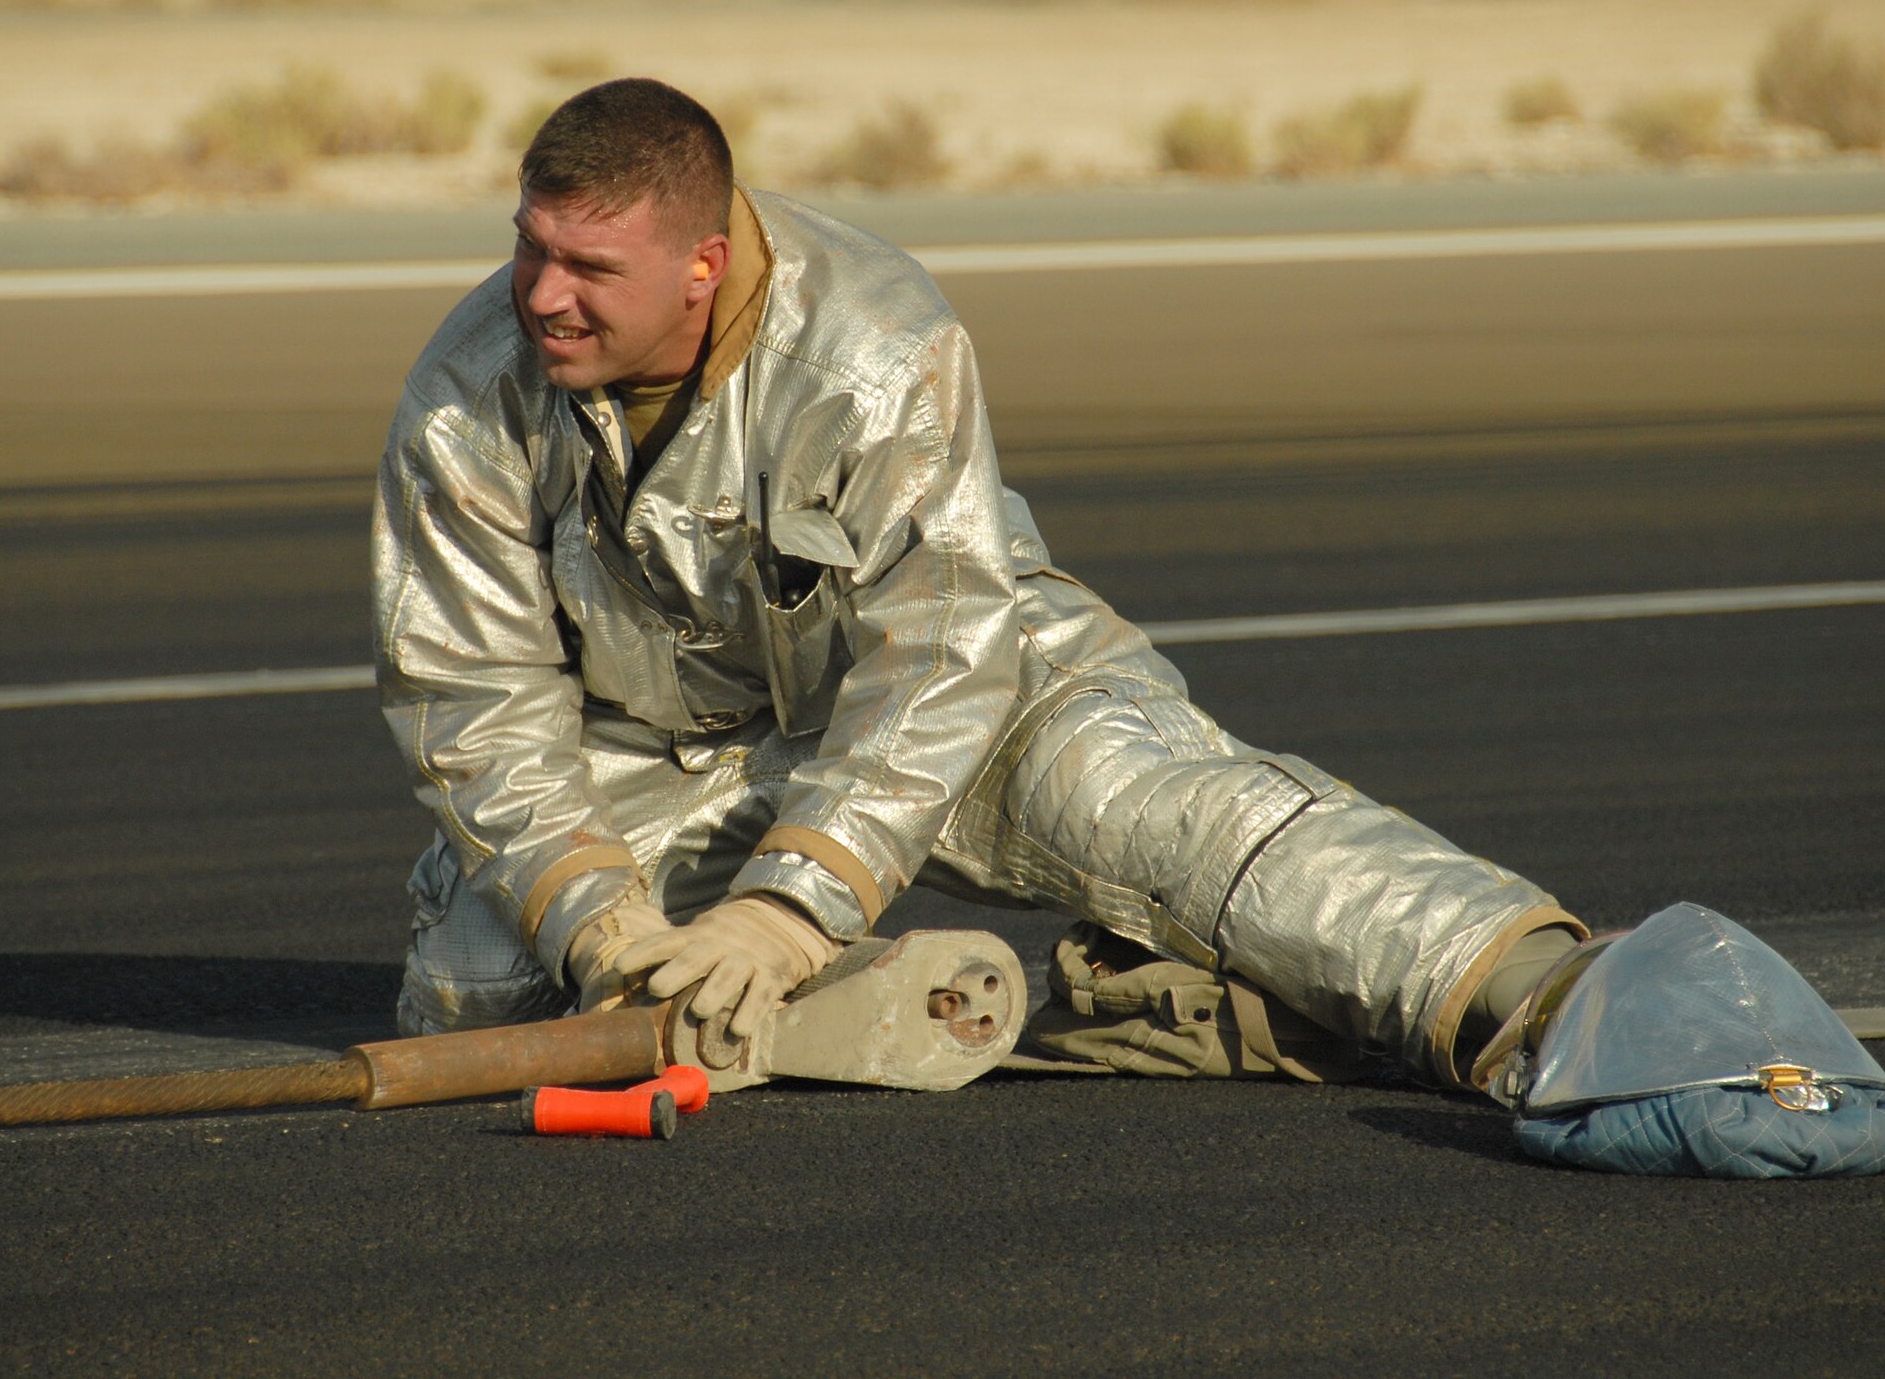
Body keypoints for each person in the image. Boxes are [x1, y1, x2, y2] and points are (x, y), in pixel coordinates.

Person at [372, 77, 1586, 1092]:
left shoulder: (876, 350)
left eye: (586, 264)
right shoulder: (470, 388)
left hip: (967, 684)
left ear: (701, 264)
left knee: (1164, 819)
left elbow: (939, 649)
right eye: (528, 244)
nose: (537, 294)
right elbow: (471, 689)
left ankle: (1531, 983)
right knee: (484, 1006)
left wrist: (791, 907)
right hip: (672, 741)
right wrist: (598, 921)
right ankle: (850, 999)